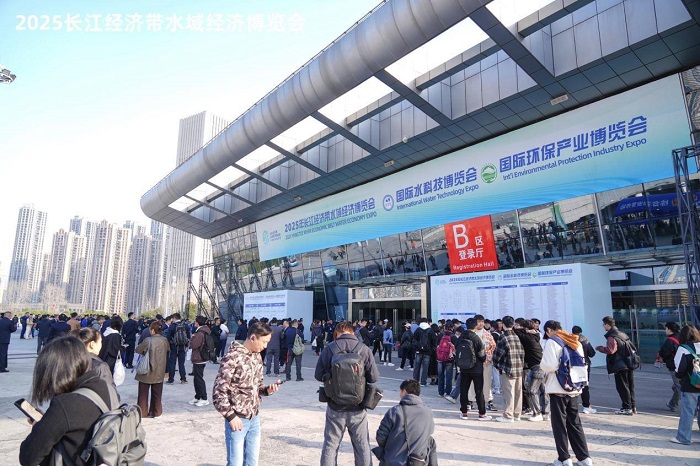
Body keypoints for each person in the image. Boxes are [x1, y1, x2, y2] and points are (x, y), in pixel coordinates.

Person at [19, 335, 116, 466]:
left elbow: (28, 457)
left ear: (55, 371)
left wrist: (41, 426)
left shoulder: (65, 404)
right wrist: (49, 421)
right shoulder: (105, 387)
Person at [213, 322, 282, 466]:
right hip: (238, 419)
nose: (265, 346)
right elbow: (219, 391)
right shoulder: (232, 357)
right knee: (235, 463)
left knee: (252, 461)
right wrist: (230, 416)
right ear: (253, 338)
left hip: (254, 418)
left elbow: (257, 386)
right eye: (264, 342)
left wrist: (267, 390)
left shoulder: (257, 357)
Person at [315, 321, 379, 466]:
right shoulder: (364, 349)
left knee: (331, 444)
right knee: (362, 444)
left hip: (335, 405)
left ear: (337, 332)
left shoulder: (330, 349)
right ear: (352, 332)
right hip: (358, 406)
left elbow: (318, 375)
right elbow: (374, 378)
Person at [540, 320, 592, 466]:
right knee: (575, 423)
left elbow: (549, 365)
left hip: (558, 388)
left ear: (549, 330)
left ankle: (564, 458)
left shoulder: (552, 341)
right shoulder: (575, 340)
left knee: (559, 424)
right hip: (574, 387)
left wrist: (543, 365)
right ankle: (584, 458)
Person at [374, 379, 436, 466]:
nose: (400, 394)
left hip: (393, 461)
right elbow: (430, 431)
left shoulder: (395, 412)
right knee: (431, 441)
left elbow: (381, 437)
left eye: (401, 391)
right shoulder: (428, 412)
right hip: (417, 461)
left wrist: (391, 448)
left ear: (404, 391)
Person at [595, 316, 636, 415]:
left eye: (603, 324)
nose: (603, 326)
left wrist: (600, 348)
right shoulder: (622, 334)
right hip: (629, 363)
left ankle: (626, 408)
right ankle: (633, 406)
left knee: (622, 387)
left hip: (620, 365)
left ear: (607, 325)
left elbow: (611, 350)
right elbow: (633, 347)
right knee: (630, 386)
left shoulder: (612, 336)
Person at [492, 315, 525, 423]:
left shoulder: (503, 337)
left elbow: (498, 354)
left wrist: (497, 365)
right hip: (519, 368)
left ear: (503, 324)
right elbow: (522, 352)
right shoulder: (516, 336)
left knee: (508, 392)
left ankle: (508, 415)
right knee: (518, 392)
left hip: (508, 368)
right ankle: (517, 414)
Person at [671, 324, 700, 445]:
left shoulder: (683, 349)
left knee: (688, 412)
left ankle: (683, 437)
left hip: (690, 385)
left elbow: (679, 370)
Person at [457, 318, 491, 421]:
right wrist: (483, 359)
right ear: (475, 326)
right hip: (477, 369)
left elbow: (457, 350)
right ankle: (481, 414)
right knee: (479, 391)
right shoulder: (476, 338)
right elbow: (481, 354)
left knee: (464, 390)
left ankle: (464, 413)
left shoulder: (461, 337)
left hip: (464, 368)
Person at [71, 327, 118, 401]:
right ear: (92, 344)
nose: (101, 345)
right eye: (100, 342)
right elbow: (111, 395)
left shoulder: (70, 361)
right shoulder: (100, 366)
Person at [135, 321, 170, 418]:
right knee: (157, 393)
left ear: (153, 330)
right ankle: (156, 412)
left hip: (147, 369)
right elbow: (168, 349)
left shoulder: (148, 340)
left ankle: (142, 412)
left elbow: (138, 349)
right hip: (159, 369)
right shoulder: (165, 340)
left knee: (143, 393)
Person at [572, 325, 597, 414]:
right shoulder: (584, 341)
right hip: (584, 365)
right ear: (580, 332)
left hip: (573, 365)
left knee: (573, 384)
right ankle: (586, 406)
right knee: (585, 385)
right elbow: (592, 353)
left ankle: (572, 405)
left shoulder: (569, 340)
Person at [658, 321, 681, 412]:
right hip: (683, 365)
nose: (665, 330)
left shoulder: (670, 341)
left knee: (679, 386)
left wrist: (660, 356)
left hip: (674, 366)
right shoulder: (682, 337)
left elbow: (664, 352)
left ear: (669, 330)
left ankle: (673, 403)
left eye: (666, 329)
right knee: (679, 385)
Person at [190, 315, 212, 406]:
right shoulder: (204, 331)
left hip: (199, 358)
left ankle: (204, 398)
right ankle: (198, 396)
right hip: (200, 357)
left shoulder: (199, 333)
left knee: (199, 379)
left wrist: (192, 338)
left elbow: (194, 345)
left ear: (197, 323)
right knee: (196, 378)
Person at [166, 313, 190, 385]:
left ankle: (171, 380)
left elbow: (168, 336)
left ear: (174, 318)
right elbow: (188, 336)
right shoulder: (185, 325)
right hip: (182, 346)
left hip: (174, 346)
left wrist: (170, 343)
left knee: (172, 363)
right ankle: (183, 379)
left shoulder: (172, 326)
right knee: (181, 363)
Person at [413, 318, 437, 387]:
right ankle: (423, 382)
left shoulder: (418, 329)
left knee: (417, 367)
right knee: (425, 367)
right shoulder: (430, 330)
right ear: (427, 322)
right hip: (427, 351)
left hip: (419, 351)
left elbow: (414, 340)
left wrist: (417, 347)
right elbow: (434, 341)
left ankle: (415, 381)